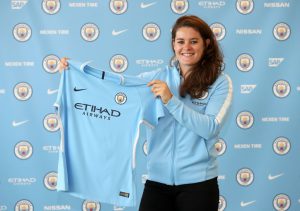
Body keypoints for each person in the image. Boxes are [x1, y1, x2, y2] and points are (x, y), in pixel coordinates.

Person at [59, 15, 232, 211]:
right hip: (157, 182)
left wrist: (170, 101)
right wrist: (75, 74)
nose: (187, 47)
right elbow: (118, 89)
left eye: (194, 41)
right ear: (173, 45)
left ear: (206, 43)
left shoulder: (220, 82)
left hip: (199, 184)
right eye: (180, 41)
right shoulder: (157, 77)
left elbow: (211, 128)